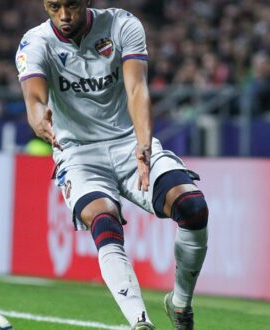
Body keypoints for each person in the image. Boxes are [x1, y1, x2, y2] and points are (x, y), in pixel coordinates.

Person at [16, 1, 208, 329]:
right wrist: (40, 120)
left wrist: (145, 145)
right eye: (53, 6)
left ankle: (180, 303)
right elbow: (34, 100)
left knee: (192, 206)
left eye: (72, 5)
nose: (64, 15)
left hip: (129, 143)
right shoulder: (34, 43)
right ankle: (139, 322)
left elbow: (136, 88)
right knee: (103, 218)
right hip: (78, 153)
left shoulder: (121, 25)